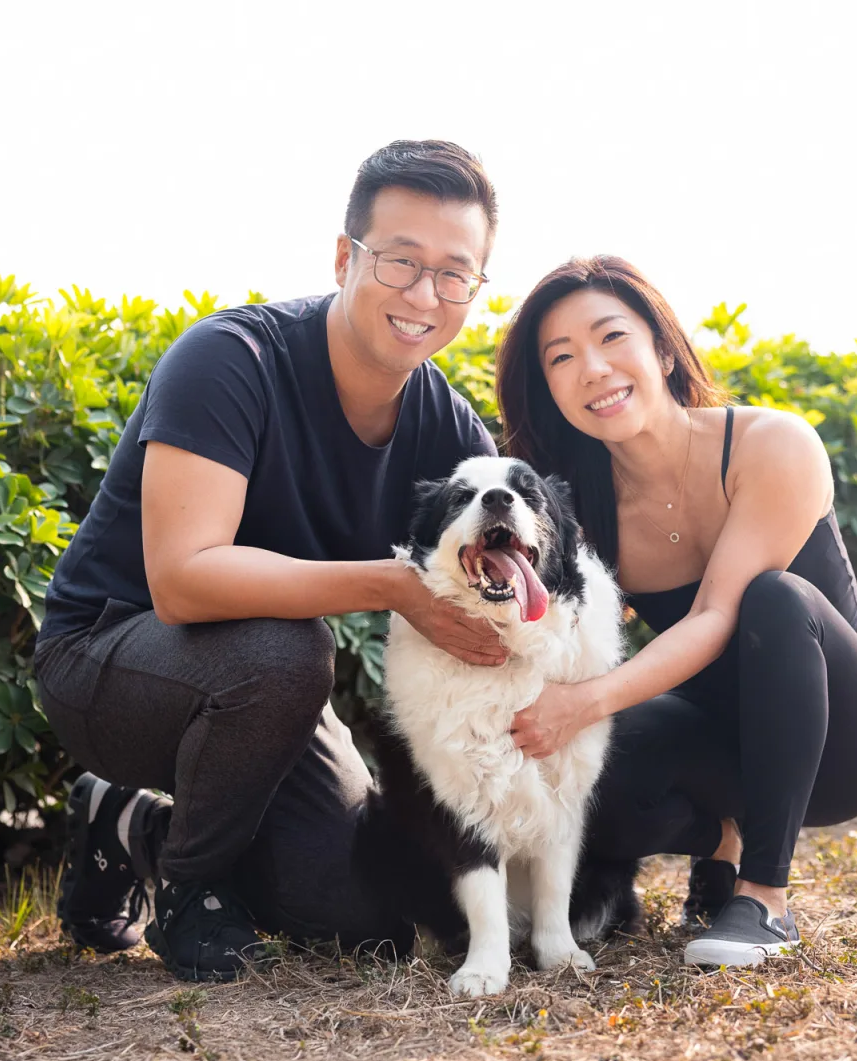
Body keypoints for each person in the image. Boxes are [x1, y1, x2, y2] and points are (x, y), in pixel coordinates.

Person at [31, 140, 507, 981]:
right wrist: (390, 586)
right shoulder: (230, 360)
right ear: (343, 257)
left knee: (371, 912)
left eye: (455, 274)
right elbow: (183, 582)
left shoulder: (448, 432)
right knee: (289, 649)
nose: (425, 295)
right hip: (107, 660)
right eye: (400, 262)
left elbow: (491, 597)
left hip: (261, 695)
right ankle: (191, 886)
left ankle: (132, 825)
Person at [494, 256, 857, 968]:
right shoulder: (581, 512)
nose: (593, 368)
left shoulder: (771, 445)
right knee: (590, 772)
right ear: (548, 387)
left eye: (611, 338)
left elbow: (717, 616)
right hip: (724, 750)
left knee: (771, 599)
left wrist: (584, 702)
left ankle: (764, 900)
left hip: (847, 746)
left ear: (661, 347)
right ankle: (720, 842)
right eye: (561, 358)